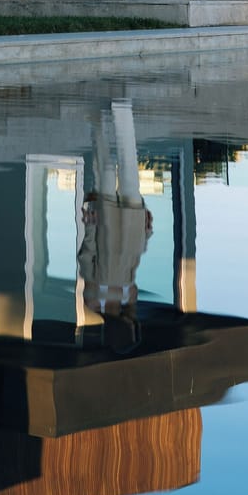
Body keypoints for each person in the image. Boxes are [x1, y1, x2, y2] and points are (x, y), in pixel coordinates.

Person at [78, 99, 154, 354]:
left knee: (106, 170)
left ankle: (97, 120)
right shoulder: (130, 298)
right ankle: (122, 110)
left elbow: (86, 259)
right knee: (129, 167)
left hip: (106, 228)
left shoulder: (93, 302)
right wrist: (148, 233)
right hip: (132, 230)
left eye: (131, 327)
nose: (134, 322)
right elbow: (135, 261)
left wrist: (89, 227)